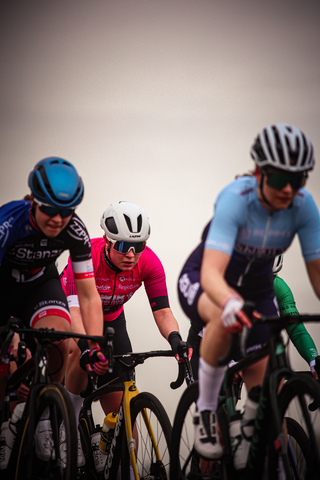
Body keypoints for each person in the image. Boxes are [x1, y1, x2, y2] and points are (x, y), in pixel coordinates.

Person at [188, 123, 320, 461]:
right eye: (279, 179)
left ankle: (254, 436)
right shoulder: (235, 200)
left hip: (256, 293)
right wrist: (229, 302)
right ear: (260, 173)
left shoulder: (303, 208)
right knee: (221, 315)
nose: (289, 189)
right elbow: (212, 274)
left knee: (269, 406)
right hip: (208, 283)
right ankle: (205, 412)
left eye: (299, 179)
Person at [0, 157, 105, 457]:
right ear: (33, 200)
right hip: (3, 286)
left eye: (66, 212)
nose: (58, 220)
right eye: (49, 210)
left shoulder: (76, 231)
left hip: (38, 284)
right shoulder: (8, 223)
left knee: (60, 338)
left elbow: (88, 295)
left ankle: (44, 414)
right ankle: (6, 423)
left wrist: (95, 345)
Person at [60, 201, 191, 428]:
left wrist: (175, 338)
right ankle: (68, 428)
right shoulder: (86, 256)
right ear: (107, 240)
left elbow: (162, 311)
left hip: (112, 321)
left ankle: (123, 461)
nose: (131, 254)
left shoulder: (150, 262)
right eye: (122, 246)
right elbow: (75, 312)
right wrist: (86, 347)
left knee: (123, 415)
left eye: (138, 245)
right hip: (73, 316)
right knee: (76, 352)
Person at [178, 233, 320, 381]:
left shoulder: (279, 287)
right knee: (211, 393)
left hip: (242, 338)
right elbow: (206, 321)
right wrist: (227, 362)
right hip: (205, 336)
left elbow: (296, 328)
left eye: (267, 279)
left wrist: (313, 359)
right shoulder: (226, 280)